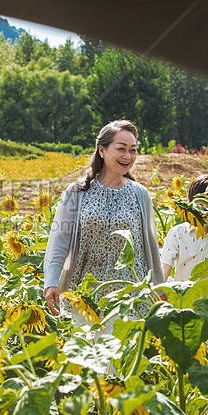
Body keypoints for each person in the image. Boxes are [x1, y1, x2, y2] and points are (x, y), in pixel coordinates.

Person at [44, 119, 163, 318]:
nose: (128, 156)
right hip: (84, 297)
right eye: (121, 148)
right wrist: (51, 283)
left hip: (129, 298)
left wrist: (160, 290)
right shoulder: (77, 192)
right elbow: (59, 242)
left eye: (133, 150)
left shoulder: (140, 194)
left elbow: (151, 248)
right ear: (102, 150)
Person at [161, 175, 208, 292]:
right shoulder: (177, 233)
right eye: (200, 205)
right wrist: (158, 292)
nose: (205, 211)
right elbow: (166, 265)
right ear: (189, 203)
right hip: (182, 298)